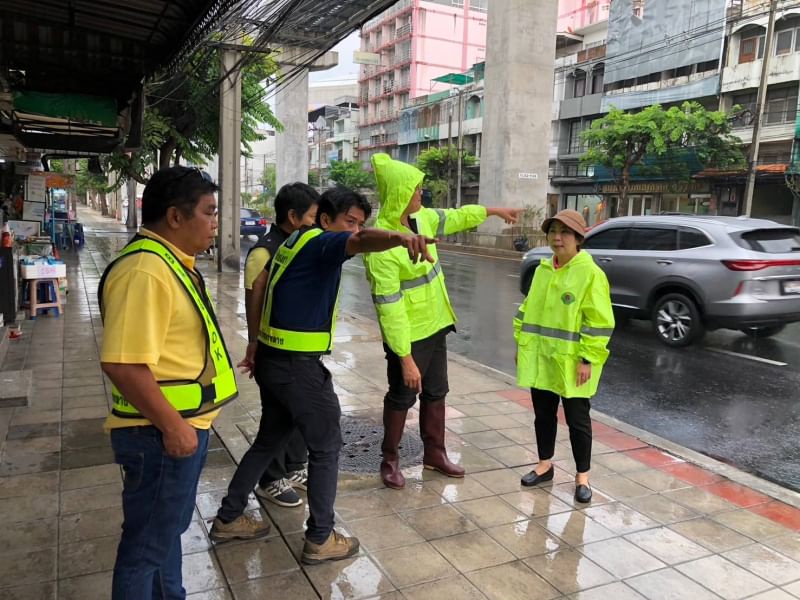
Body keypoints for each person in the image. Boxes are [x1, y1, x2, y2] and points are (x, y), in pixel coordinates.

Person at [211, 187, 435, 564]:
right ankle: (320, 538)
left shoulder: (293, 242)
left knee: (268, 441)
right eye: (349, 221)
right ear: (325, 219)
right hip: (297, 369)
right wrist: (401, 237)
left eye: (359, 222)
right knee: (327, 446)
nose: (354, 230)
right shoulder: (320, 242)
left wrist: (255, 343)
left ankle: (229, 517)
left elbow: (263, 288)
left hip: (275, 362)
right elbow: (360, 242)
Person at [99, 167, 238, 599]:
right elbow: (123, 364)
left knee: (163, 537)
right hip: (160, 434)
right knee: (144, 550)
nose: (216, 222)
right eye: (209, 212)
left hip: (178, 428)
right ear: (175, 217)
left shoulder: (170, 263)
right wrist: (173, 427)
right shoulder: (146, 271)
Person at [363, 153, 521, 490]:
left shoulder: (421, 220)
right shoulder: (381, 246)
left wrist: (493, 211)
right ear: (400, 193)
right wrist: (404, 358)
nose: (421, 194)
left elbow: (456, 216)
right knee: (402, 396)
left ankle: (434, 454)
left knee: (436, 392)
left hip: (436, 326)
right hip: (409, 336)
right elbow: (388, 309)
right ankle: (389, 460)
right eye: (415, 189)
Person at [514, 209, 614, 503]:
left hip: (573, 363)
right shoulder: (544, 270)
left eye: (565, 232)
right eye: (553, 231)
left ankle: (582, 477)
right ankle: (545, 465)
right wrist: (521, 345)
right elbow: (527, 311)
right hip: (542, 357)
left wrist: (588, 359)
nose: (557, 238)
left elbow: (599, 321)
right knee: (543, 415)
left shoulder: (590, 273)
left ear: (578, 238)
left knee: (577, 420)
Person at [242, 183, 319, 508]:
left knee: (301, 412)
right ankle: (270, 478)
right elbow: (253, 303)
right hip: (274, 352)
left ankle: (291, 466)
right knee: (276, 416)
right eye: (313, 216)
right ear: (293, 215)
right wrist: (254, 345)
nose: (316, 223)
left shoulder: (300, 244)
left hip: (300, 349)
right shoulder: (265, 251)